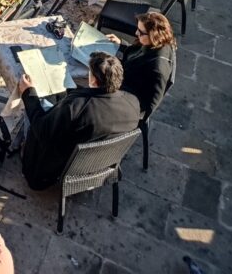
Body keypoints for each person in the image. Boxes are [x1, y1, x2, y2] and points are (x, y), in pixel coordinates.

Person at [18, 52, 140, 191]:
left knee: (33, 110)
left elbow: (41, 129)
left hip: (57, 170)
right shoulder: (133, 103)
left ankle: (24, 150)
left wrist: (28, 93)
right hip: (96, 164)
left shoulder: (75, 108)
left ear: (93, 80)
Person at [106, 12, 176, 118]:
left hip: (124, 97)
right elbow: (140, 51)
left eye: (141, 32)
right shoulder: (156, 42)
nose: (136, 33)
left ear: (153, 35)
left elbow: (149, 105)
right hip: (123, 76)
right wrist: (120, 43)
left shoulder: (158, 70)